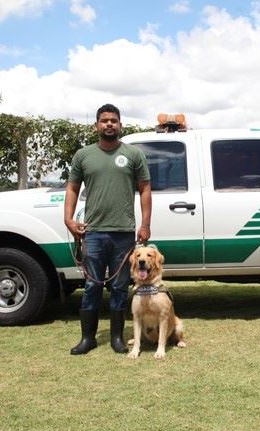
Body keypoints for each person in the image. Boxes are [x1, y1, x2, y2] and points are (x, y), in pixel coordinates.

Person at [64, 103, 151, 355]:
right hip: (93, 232)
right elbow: (72, 188)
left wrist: (145, 224)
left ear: (120, 125)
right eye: (104, 120)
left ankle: (117, 338)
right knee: (91, 285)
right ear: (96, 126)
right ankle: (87, 339)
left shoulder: (134, 155)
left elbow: (145, 189)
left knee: (120, 286)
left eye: (114, 120)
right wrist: (69, 220)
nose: (109, 124)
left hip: (124, 233)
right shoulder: (83, 156)